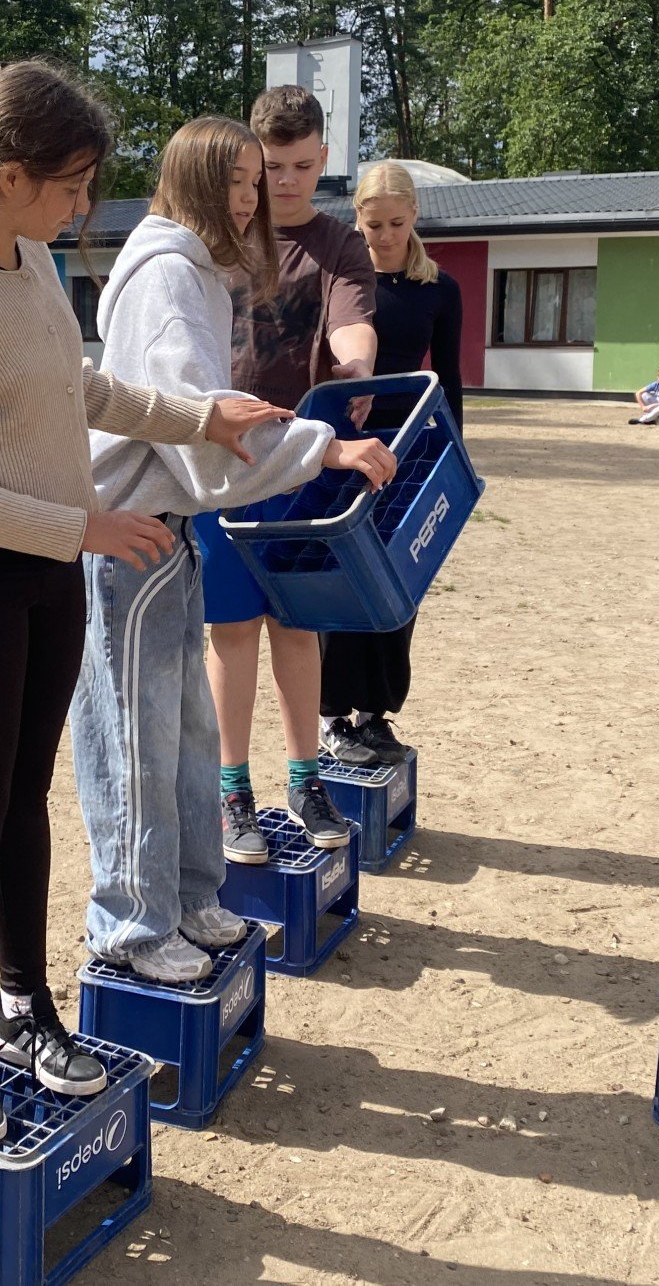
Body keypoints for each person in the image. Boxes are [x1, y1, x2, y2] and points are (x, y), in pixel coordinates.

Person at [0, 61, 294, 1144]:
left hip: (47, 569)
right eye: (70, 186)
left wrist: (201, 417)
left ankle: (23, 1009)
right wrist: (83, 528)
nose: (82, 206)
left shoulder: (26, 261)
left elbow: (82, 387)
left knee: (26, 801)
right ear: (10, 175)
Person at [73, 117, 397, 983]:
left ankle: (186, 898)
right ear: (192, 181)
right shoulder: (167, 277)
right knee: (135, 740)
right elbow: (203, 437)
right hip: (129, 534)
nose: (251, 198)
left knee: (186, 732)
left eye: (257, 181)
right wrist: (325, 449)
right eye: (236, 180)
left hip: (168, 532)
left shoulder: (197, 272)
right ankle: (131, 925)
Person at [197, 85, 378, 863]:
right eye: (273, 167)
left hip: (303, 464)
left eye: (303, 165)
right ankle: (231, 792)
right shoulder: (220, 240)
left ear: (324, 159)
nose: (288, 181)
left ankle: (306, 780)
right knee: (233, 630)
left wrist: (358, 371)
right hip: (223, 462)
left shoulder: (339, 245)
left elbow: (351, 325)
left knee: (299, 626)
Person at [318, 160, 464, 768]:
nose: (383, 236)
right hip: (347, 449)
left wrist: (455, 459)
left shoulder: (440, 289)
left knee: (400, 580)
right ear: (357, 218)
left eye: (395, 224)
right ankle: (332, 715)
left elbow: (448, 379)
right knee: (342, 578)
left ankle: (376, 715)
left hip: (412, 451)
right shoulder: (342, 283)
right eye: (372, 224)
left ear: (414, 217)